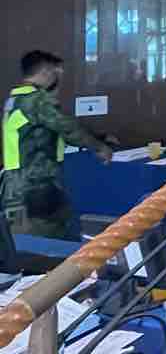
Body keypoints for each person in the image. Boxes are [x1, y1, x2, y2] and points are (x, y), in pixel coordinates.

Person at [1, 50, 113, 238]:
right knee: (45, 240)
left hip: (14, 187)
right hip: (37, 186)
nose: (57, 77)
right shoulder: (37, 100)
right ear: (45, 72)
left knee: (19, 239)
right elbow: (67, 127)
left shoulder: (15, 99)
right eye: (55, 72)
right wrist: (100, 147)